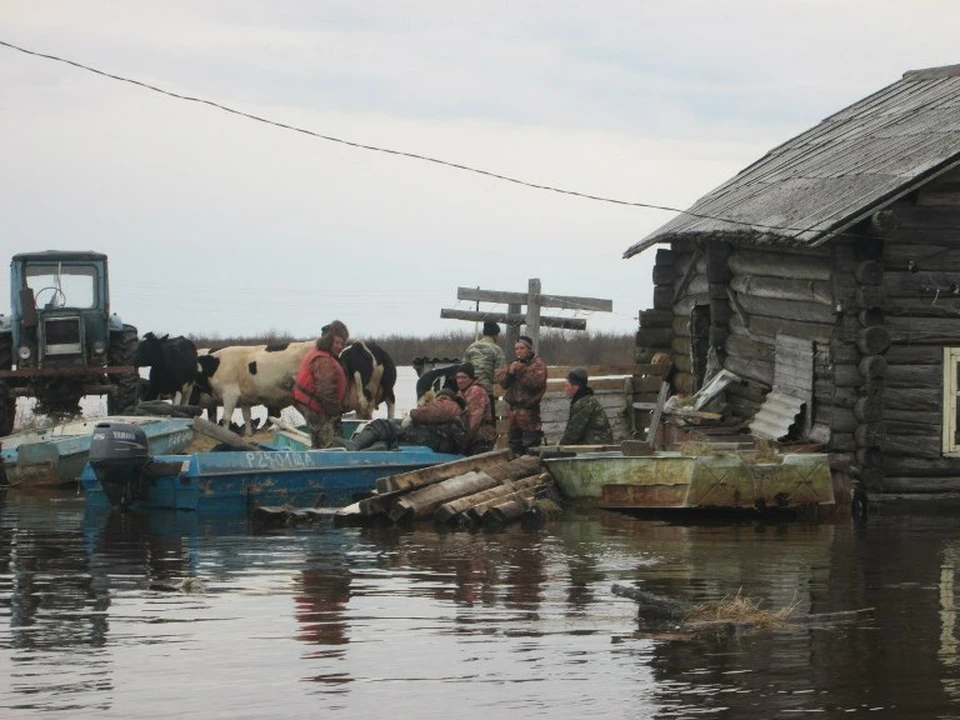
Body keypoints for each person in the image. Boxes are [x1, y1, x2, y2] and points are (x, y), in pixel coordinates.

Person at [346, 388, 466, 454]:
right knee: (393, 438)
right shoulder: (453, 410)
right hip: (439, 441)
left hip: (437, 440)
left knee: (384, 425)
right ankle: (376, 450)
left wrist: (413, 415)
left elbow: (429, 413)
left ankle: (355, 445)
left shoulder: (448, 403)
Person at [292, 320, 350, 448]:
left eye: (342, 343)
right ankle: (328, 464)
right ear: (329, 341)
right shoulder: (324, 360)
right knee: (327, 445)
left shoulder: (319, 352)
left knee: (317, 442)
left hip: (313, 407)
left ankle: (317, 458)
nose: (339, 346)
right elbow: (325, 391)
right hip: (317, 409)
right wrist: (335, 413)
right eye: (336, 342)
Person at [495, 335, 547, 455]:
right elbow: (503, 382)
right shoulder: (516, 363)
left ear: (529, 349)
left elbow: (536, 384)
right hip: (514, 413)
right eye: (516, 349)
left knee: (530, 447)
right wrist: (510, 372)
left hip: (529, 413)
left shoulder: (538, 364)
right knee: (514, 446)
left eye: (522, 348)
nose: (519, 351)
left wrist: (521, 371)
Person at [559, 366, 613, 446]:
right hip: (592, 444)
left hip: (596, 447)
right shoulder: (584, 401)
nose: (565, 389)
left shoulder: (585, 404)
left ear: (576, 386)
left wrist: (560, 446)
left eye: (567, 386)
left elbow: (574, 432)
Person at [462, 320, 506, 412]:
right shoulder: (496, 350)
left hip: (469, 392)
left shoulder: (471, 347)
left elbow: (463, 370)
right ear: (495, 335)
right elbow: (501, 375)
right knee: (488, 423)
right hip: (487, 392)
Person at [455, 362, 496, 455]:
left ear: (471, 378)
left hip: (480, 437)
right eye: (458, 377)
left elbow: (475, 420)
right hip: (470, 436)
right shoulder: (462, 392)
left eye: (464, 377)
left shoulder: (476, 391)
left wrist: (466, 442)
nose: (460, 381)